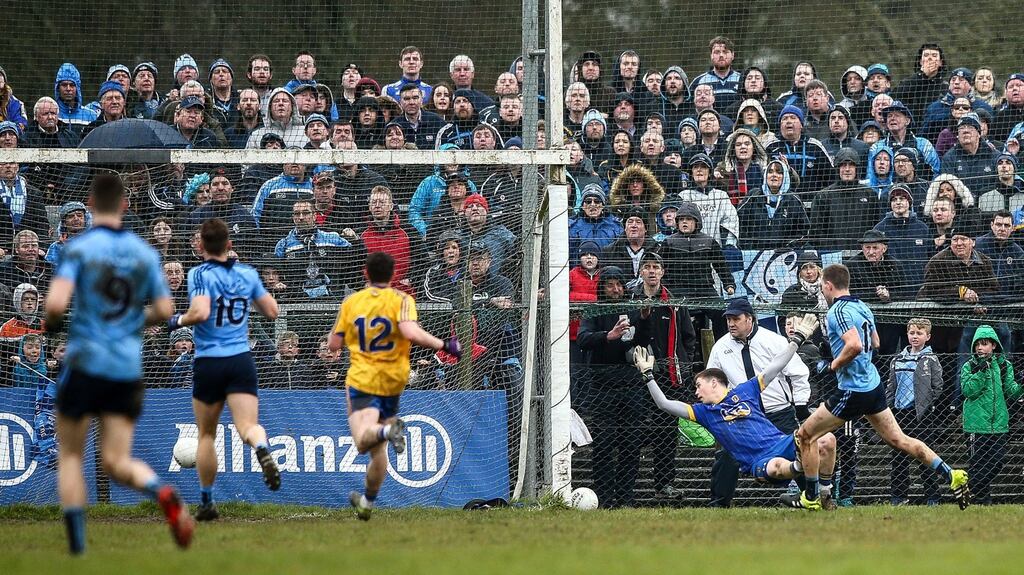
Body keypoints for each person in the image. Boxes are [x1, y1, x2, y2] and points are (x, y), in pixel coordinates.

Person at [43, 173, 192, 553]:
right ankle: (162, 490)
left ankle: (77, 547)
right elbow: (164, 309)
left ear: (90, 205)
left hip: (84, 362)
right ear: (125, 206)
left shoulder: (78, 249)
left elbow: (57, 306)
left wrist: (55, 324)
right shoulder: (144, 253)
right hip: (125, 368)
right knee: (116, 460)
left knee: (71, 455)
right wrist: (131, 321)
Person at [794, 264, 970, 510]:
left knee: (805, 435)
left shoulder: (837, 311)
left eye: (823, 286)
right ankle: (952, 475)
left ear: (828, 285)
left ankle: (811, 497)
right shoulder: (863, 306)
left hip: (853, 389)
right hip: (873, 386)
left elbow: (854, 345)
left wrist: (833, 364)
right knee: (900, 439)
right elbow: (875, 341)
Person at [635, 313, 837, 502]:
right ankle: (801, 471)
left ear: (713, 382)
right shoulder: (703, 412)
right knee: (775, 467)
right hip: (758, 462)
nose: (696, 392)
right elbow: (664, 404)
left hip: (781, 442)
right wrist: (648, 375)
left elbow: (775, 366)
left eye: (698, 385)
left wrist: (797, 339)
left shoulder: (745, 391)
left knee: (827, 439)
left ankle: (824, 493)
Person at [327, 252, 461, 520]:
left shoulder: (352, 302)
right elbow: (411, 333)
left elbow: (333, 344)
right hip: (393, 379)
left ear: (365, 273)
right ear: (393, 275)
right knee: (378, 451)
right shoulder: (403, 299)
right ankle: (367, 502)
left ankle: (388, 430)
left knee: (363, 442)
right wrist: (445, 344)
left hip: (364, 378)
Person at [166, 218, 281, 520]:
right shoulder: (247, 273)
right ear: (230, 245)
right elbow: (272, 311)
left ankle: (206, 502)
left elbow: (201, 312)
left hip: (209, 360)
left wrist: (176, 321)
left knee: (206, 435)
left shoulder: (199, 273)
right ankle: (261, 446)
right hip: (241, 359)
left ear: (201, 245)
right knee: (248, 426)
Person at [705, 298, 812, 507]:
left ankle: (812, 496)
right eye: (728, 319)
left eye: (736, 319)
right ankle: (718, 504)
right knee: (726, 456)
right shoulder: (720, 347)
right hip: (742, 415)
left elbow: (799, 374)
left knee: (797, 451)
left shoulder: (774, 341)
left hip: (778, 411)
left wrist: (800, 406)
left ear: (750, 319)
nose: (731, 324)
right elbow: (712, 381)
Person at [575, 264, 646, 508]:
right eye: (610, 285)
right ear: (602, 288)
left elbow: (646, 337)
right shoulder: (594, 310)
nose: (615, 289)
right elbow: (583, 338)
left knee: (631, 443)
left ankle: (626, 497)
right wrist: (608, 335)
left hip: (632, 385)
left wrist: (645, 320)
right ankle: (604, 498)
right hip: (602, 387)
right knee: (604, 445)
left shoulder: (634, 309)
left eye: (619, 284)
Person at [960, 325, 1022, 505]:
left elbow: (1012, 392)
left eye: (984, 344)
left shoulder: (1004, 365)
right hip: (975, 424)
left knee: (996, 463)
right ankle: (982, 501)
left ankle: (968, 487)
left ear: (994, 346)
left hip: (999, 423)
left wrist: (1022, 385)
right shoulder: (969, 366)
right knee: (978, 464)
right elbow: (968, 391)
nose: (980, 348)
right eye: (977, 344)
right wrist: (981, 371)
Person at [886, 317, 943, 506]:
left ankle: (932, 496)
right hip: (900, 414)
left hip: (921, 415)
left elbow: (938, 386)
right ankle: (899, 496)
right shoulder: (897, 359)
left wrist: (926, 403)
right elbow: (890, 387)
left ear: (928, 336)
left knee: (924, 456)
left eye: (919, 333)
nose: (915, 336)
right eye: (912, 332)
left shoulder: (931, 359)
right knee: (898, 457)